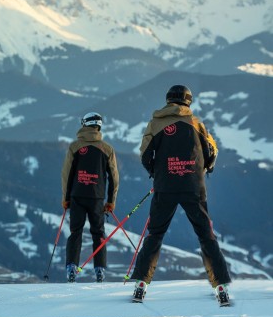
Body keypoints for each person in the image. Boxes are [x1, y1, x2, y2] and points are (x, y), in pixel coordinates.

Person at [129, 85, 232, 304]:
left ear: (168, 100)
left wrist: (155, 172)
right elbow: (212, 151)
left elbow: (145, 154)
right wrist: (206, 168)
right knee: (206, 235)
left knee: (155, 234)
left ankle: (141, 284)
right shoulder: (196, 124)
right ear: (188, 101)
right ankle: (220, 285)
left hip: (165, 186)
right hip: (193, 186)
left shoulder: (155, 123)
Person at [61, 112, 119, 282]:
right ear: (98, 127)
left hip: (77, 196)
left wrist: (65, 197)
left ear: (84, 125)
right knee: (98, 233)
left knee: (75, 232)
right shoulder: (107, 149)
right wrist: (111, 201)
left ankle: (71, 266)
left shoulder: (74, 147)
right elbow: (114, 177)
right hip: (97, 197)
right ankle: (99, 269)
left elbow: (67, 174)